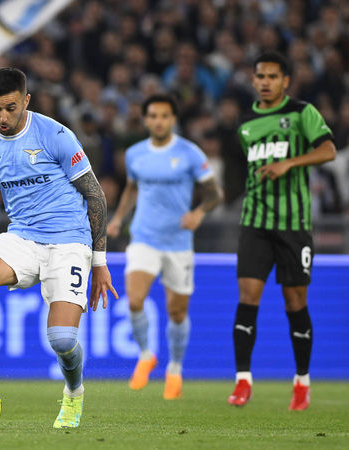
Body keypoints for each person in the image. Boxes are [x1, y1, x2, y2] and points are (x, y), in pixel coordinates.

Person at [0, 67, 118, 428]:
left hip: (69, 242)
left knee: (62, 340)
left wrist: (99, 261)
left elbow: (95, 195)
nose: (2, 117)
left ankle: (74, 392)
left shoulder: (55, 135)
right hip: (23, 237)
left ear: (26, 101)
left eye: (11, 108)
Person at [227, 51, 336, 411]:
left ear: (285, 81)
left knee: (295, 302)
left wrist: (290, 162)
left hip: (294, 225)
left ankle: (302, 381)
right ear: (253, 79)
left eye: (273, 76)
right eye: (260, 76)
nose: (265, 82)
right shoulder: (245, 123)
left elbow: (328, 150)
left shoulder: (302, 112)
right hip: (255, 222)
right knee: (248, 298)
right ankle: (243, 380)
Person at [106, 94, 223, 400]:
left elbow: (215, 194)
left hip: (178, 243)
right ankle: (146, 355)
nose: (158, 121)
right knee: (134, 299)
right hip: (144, 238)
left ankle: (175, 368)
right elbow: (131, 189)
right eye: (153, 116)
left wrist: (199, 213)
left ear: (173, 119)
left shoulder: (189, 153)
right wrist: (118, 218)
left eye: (164, 116)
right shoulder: (135, 154)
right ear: (146, 120)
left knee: (177, 312)